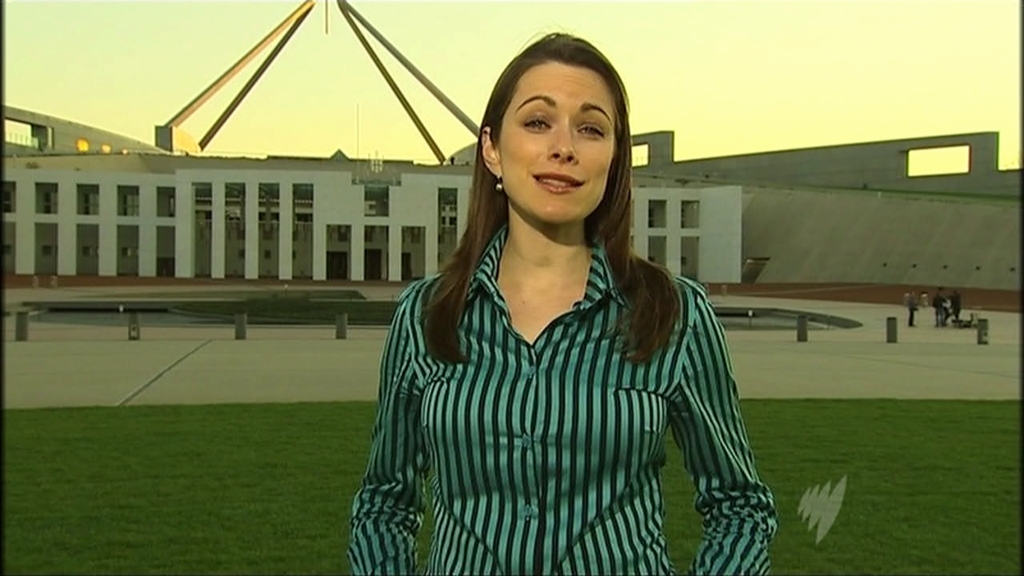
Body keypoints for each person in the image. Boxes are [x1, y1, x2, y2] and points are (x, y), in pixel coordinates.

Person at [347, 32, 778, 575]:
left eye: (591, 128)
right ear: (491, 149)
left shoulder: (673, 314)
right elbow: (384, 504)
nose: (564, 147)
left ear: (614, 158)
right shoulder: (427, 314)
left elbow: (739, 506)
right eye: (537, 122)